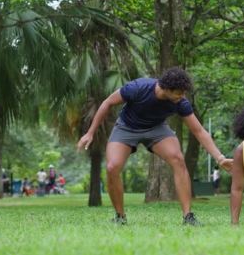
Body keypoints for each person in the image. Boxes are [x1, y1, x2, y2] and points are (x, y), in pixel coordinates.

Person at [77, 67, 233, 225]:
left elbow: (199, 131)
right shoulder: (138, 88)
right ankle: (120, 217)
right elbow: (108, 102)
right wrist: (90, 132)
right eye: (179, 92)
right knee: (112, 167)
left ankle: (188, 217)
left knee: (178, 159)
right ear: (166, 89)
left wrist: (220, 158)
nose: (182, 96)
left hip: (156, 128)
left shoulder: (180, 103)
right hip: (127, 127)